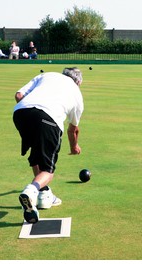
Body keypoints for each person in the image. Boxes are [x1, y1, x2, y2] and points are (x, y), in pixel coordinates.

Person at [13, 67, 84, 223]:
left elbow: (18, 95)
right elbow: (73, 129)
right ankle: (31, 191)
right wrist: (74, 147)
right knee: (48, 170)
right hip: (48, 119)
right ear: (78, 82)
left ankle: (43, 194)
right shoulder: (77, 94)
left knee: (36, 153)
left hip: (20, 113)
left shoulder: (47, 75)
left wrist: (32, 113)